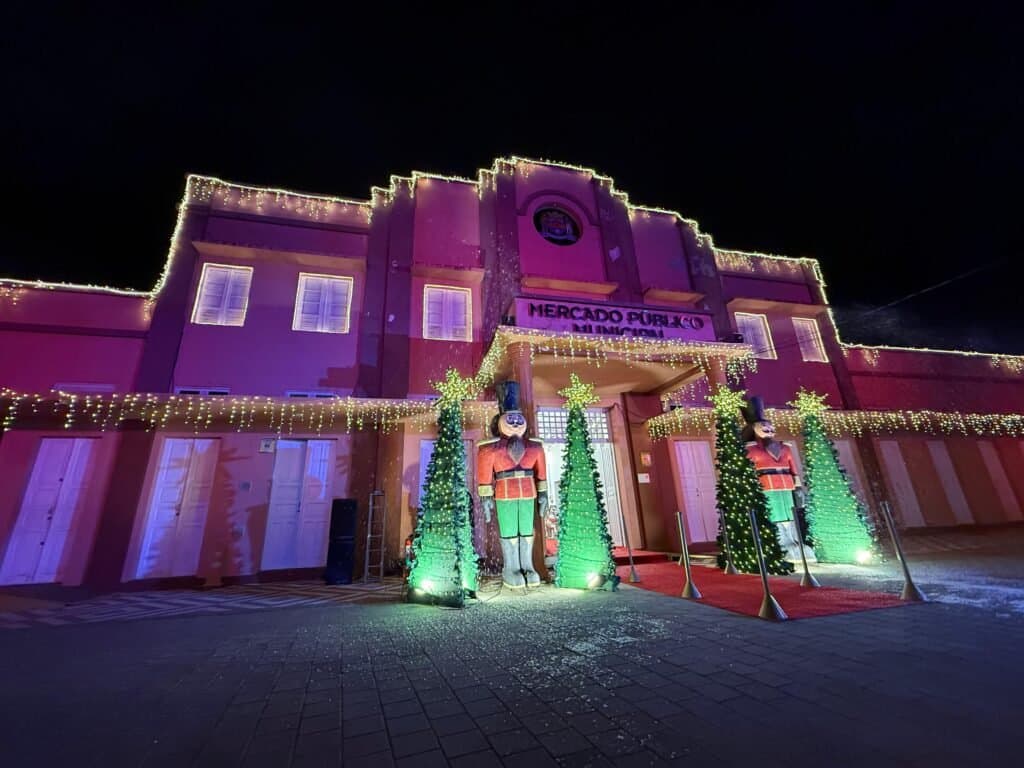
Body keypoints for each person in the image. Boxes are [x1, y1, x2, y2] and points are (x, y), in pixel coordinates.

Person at [476, 381, 548, 587]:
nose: (516, 422)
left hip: (528, 492)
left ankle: (528, 567)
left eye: (518, 418)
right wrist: (486, 497)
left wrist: (543, 494)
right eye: (511, 418)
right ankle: (511, 568)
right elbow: (484, 475)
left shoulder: (535, 447)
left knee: (526, 530)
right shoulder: (490, 449)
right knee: (508, 530)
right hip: (504, 494)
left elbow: (541, 473)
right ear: (500, 420)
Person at [740, 396, 815, 563]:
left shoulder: (784, 448)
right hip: (766, 485)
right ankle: (780, 542)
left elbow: (792, 466)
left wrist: (796, 482)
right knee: (774, 512)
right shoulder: (751, 450)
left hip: (785, 484)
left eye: (769, 426)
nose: (768, 429)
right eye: (763, 427)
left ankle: (796, 541)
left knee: (790, 512)